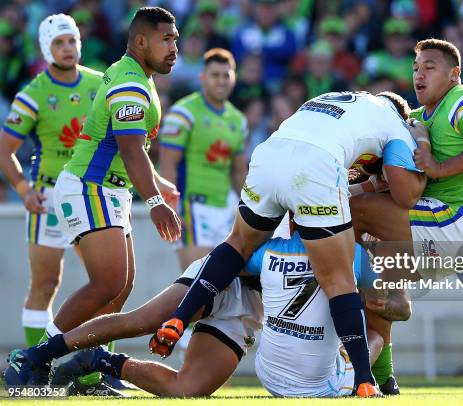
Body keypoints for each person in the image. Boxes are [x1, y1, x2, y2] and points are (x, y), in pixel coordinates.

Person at [154, 90, 428, 397]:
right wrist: (423, 141)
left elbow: (321, 152)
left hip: (269, 154)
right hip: (315, 166)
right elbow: (406, 194)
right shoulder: (398, 123)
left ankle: (179, 317)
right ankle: (364, 381)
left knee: (237, 244)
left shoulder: (335, 98)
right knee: (339, 280)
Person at [5, 6, 182, 393]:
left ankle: (89, 367)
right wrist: (155, 203)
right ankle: (33, 357)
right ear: (140, 41)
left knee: (119, 287)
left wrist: (158, 183)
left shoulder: (131, 76)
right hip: (89, 186)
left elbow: (133, 149)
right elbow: (131, 148)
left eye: (175, 40)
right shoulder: (130, 83)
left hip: (108, 187)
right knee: (104, 281)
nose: (174, 48)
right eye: (166, 39)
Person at [6, 228, 409, 398]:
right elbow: (241, 245)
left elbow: (397, 307)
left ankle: (104, 361)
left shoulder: (360, 216)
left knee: (189, 390)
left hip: (254, 303)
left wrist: (380, 297)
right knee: (145, 319)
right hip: (227, 274)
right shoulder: (296, 185)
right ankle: (37, 355)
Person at [349, 39, 463, 281]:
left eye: (429, 68)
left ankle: (343, 285)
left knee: (352, 211)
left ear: (454, 74)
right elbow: (385, 180)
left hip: (459, 223)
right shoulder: (416, 117)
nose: (419, 75)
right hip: (436, 229)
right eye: (415, 69)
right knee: (374, 298)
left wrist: (439, 168)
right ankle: (388, 296)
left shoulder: (461, 98)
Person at [0, 14, 103, 348]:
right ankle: (31, 367)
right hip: (49, 197)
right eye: (59, 42)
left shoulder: (100, 83)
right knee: (45, 284)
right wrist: (22, 188)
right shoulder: (33, 94)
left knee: (105, 283)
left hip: (91, 193)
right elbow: (5, 150)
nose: (67, 48)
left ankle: (99, 370)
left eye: (72, 40)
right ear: (47, 49)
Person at [159, 48, 248, 271]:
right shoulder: (183, 113)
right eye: (214, 75)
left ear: (234, 78)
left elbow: (238, 171)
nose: (221, 81)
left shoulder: (238, 120)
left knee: (225, 287)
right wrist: (172, 208)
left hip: (225, 209)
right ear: (202, 78)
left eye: (226, 75)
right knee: (195, 281)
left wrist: (247, 208)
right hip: (192, 207)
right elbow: (168, 164)